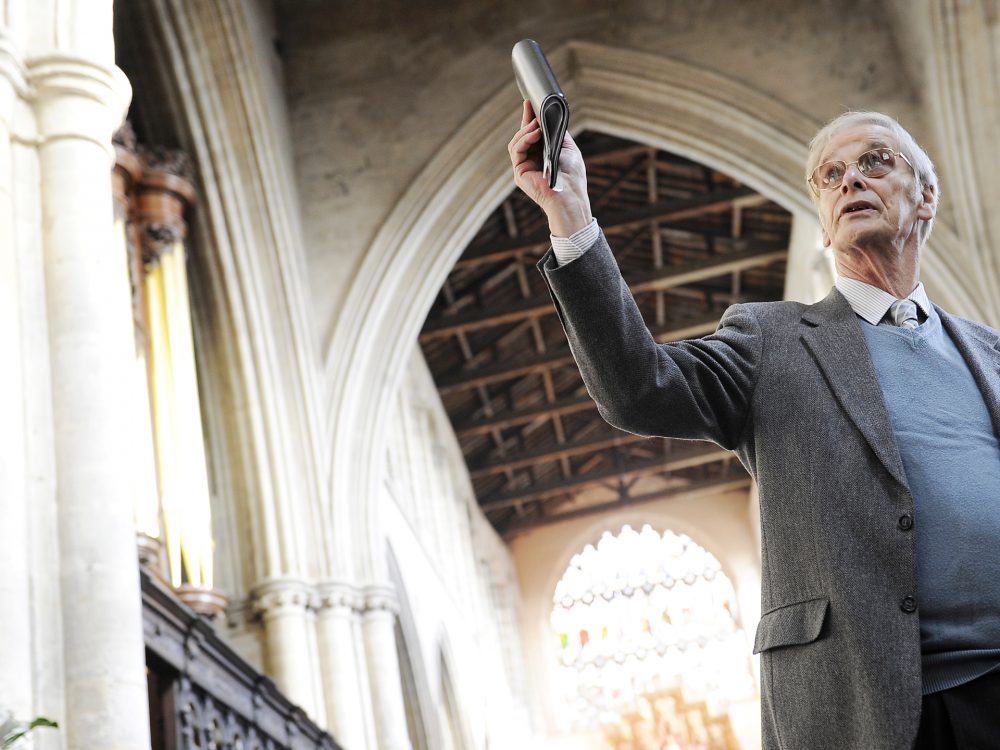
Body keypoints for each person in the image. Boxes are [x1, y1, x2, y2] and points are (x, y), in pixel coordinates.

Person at [509, 100, 1000, 749]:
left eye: (875, 162)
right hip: (871, 711)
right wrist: (569, 214)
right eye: (830, 175)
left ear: (927, 196)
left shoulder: (988, 350)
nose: (850, 179)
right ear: (823, 226)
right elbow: (639, 390)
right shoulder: (772, 340)